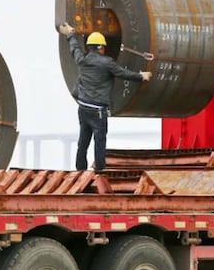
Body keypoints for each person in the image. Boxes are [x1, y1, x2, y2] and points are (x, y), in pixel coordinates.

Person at [58, 22, 152, 172]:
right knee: (99, 140)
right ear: (101, 47)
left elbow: (74, 49)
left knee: (83, 140)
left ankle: (80, 169)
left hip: (83, 108)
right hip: (98, 111)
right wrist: (141, 76)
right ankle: (100, 170)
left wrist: (70, 34)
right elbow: (123, 73)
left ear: (89, 47)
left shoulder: (82, 60)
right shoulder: (107, 63)